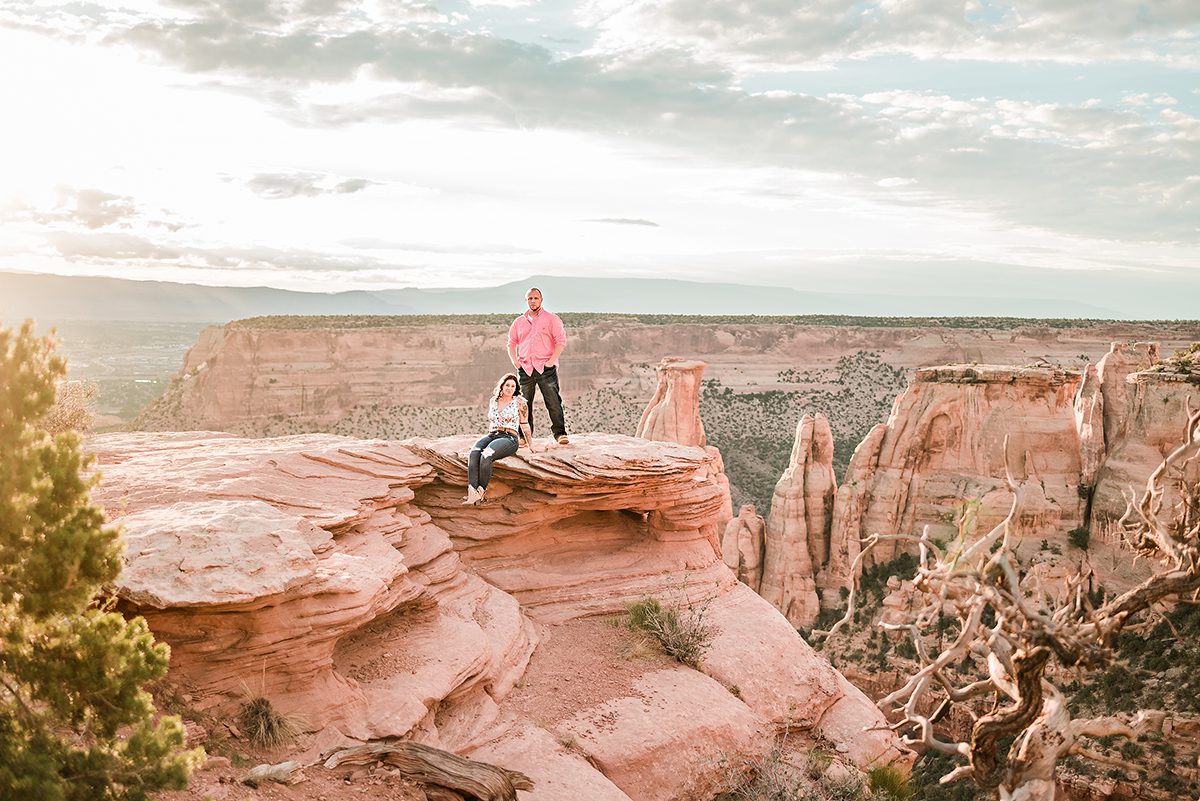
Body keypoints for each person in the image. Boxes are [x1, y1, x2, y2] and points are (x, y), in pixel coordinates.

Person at [507, 286, 570, 445]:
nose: (533, 301)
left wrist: (551, 361)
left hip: (545, 368)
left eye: (535, 298)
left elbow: (560, 341)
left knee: (553, 401)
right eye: (530, 298)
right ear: (526, 300)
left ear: (541, 300)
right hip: (525, 368)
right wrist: (515, 361)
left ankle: (560, 434)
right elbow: (512, 343)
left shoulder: (551, 319)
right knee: (523, 404)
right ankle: (523, 437)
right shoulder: (519, 322)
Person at [465, 373, 535, 505]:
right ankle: (472, 492)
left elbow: (524, 424)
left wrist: (530, 445)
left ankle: (481, 491)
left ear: (516, 388)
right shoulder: (494, 400)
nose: (510, 388)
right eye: (507, 385)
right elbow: (493, 420)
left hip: (509, 438)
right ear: (502, 386)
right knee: (474, 452)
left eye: (513, 386)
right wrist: (489, 439)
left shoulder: (519, 402)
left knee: (486, 455)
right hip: (493, 435)